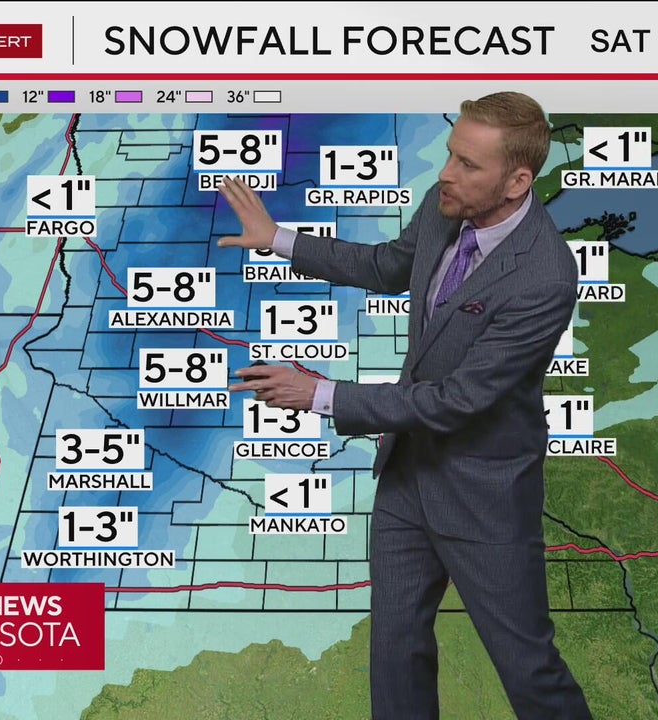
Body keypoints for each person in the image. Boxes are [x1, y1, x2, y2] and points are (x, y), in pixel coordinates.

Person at [220, 91, 591, 719]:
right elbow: (388, 265)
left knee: (529, 668)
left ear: (517, 182)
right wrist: (278, 239)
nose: (446, 173)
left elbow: (458, 400)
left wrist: (319, 394)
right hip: (407, 477)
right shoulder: (449, 205)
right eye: (450, 154)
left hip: (483, 492)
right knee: (396, 653)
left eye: (468, 164)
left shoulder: (544, 276)